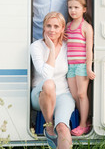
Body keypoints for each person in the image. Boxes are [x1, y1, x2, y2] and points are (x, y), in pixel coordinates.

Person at [30, 12, 74, 149]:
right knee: (49, 84)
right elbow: (47, 75)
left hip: (62, 94)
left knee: (62, 127)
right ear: (43, 27)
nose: (52, 30)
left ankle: (56, 130)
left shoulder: (68, 46)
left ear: (62, 29)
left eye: (56, 26)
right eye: (48, 26)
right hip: (40, 95)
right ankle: (49, 128)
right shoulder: (36, 46)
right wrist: (52, 50)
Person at [65, 0, 95, 136]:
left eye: (76, 7)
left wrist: (89, 68)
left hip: (82, 66)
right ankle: (86, 119)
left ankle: (83, 125)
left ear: (84, 9)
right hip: (70, 66)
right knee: (75, 95)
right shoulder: (68, 26)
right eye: (70, 7)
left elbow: (89, 50)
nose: (73, 10)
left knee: (82, 94)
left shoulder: (86, 27)